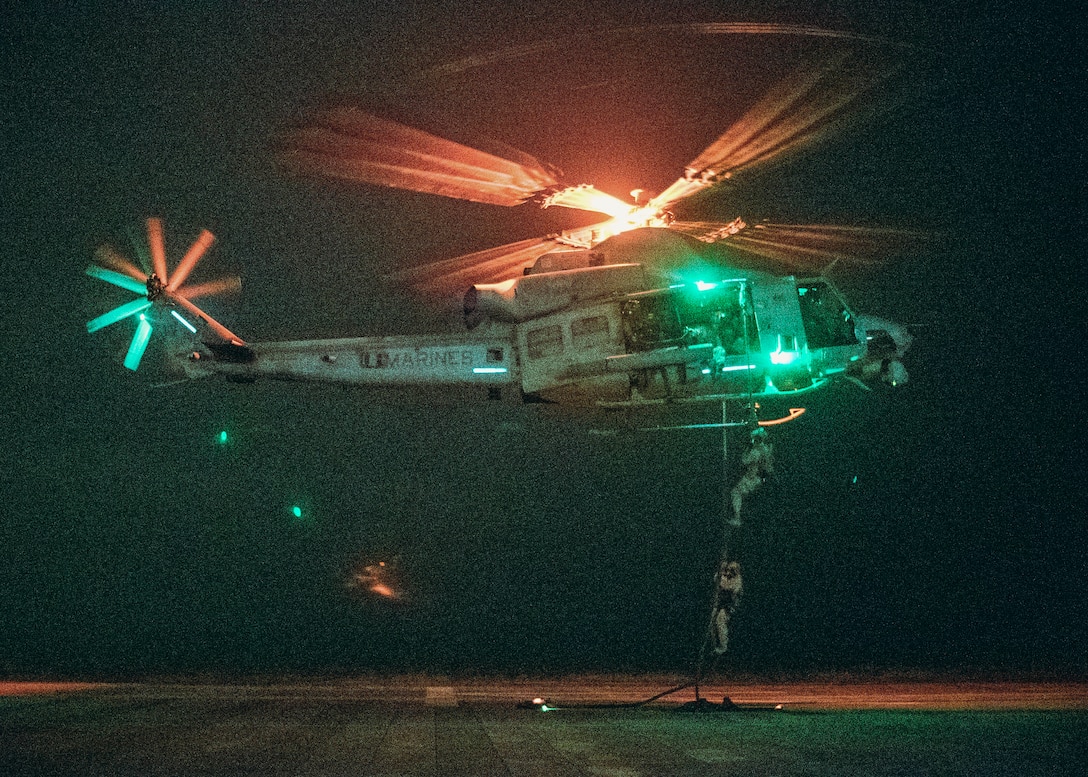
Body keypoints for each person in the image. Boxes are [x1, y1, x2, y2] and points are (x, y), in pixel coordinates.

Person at [712, 560, 743, 654]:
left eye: (732, 571)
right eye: (728, 570)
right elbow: (716, 579)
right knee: (713, 621)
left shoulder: (737, 580)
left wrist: (722, 581)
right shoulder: (725, 576)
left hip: (731, 605)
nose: (729, 572)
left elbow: (729, 588)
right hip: (721, 603)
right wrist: (721, 571)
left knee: (720, 620)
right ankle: (714, 643)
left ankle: (723, 646)